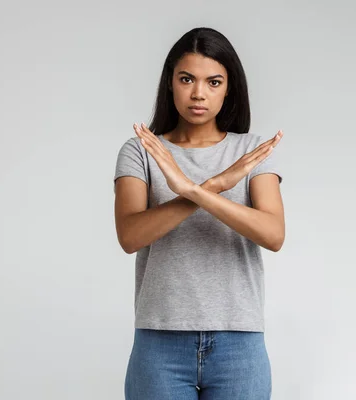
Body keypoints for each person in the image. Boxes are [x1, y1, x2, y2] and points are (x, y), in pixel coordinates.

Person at [113, 26, 285, 400]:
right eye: (187, 79)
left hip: (238, 339)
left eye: (214, 81)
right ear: (170, 83)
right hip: (160, 340)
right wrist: (211, 188)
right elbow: (130, 236)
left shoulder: (251, 151)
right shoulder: (141, 150)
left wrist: (195, 189)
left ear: (229, 88)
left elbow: (273, 235)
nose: (198, 93)